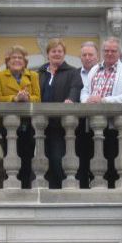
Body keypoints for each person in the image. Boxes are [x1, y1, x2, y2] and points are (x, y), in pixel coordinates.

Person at [81, 37, 122, 188]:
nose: (110, 53)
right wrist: (87, 100)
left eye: (113, 51)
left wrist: (103, 100)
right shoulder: (94, 69)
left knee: (112, 164)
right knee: (92, 163)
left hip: (113, 127)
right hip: (92, 125)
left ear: (119, 53)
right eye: (107, 51)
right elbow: (84, 91)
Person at [36, 38, 83, 188]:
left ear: (64, 54)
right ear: (48, 53)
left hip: (60, 125)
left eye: (60, 51)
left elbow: (75, 89)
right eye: (53, 51)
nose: (57, 54)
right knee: (42, 159)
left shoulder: (72, 72)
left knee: (58, 158)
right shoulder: (40, 72)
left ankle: (59, 189)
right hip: (41, 124)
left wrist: (70, 99)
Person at [0, 45, 41, 187]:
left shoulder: (33, 75)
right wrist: (14, 98)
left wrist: (27, 99)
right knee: (9, 155)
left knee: (27, 158)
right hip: (8, 125)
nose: (17, 60)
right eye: (13, 57)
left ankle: (26, 187)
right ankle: (11, 186)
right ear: (7, 61)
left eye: (20, 58)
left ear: (25, 61)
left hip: (28, 124)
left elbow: (38, 98)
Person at [75, 41, 100, 187]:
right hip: (79, 126)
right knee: (81, 162)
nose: (87, 57)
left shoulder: (104, 73)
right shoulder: (75, 74)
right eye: (84, 55)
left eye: (91, 54)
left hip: (101, 125)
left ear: (97, 56)